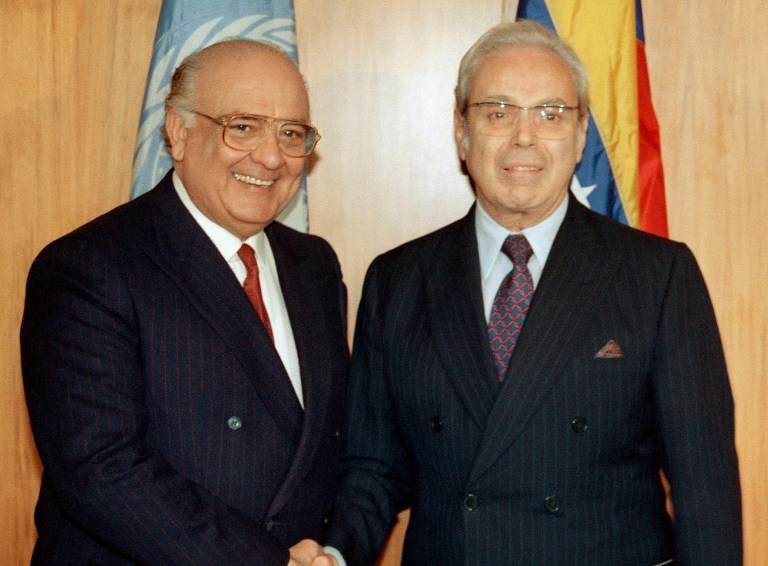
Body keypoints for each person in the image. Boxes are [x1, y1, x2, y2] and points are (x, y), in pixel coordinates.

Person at [304, 20, 742, 566]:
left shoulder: (658, 275)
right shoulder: (398, 280)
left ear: (583, 134)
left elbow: (705, 489)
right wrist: (337, 552)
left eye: (551, 114)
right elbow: (373, 466)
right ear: (462, 131)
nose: (525, 136)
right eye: (498, 111)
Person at [21, 39, 349, 565]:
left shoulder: (314, 266)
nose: (269, 156)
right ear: (177, 132)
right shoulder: (89, 268)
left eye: (291, 134)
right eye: (242, 126)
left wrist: (332, 552)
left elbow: (328, 445)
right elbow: (103, 469)